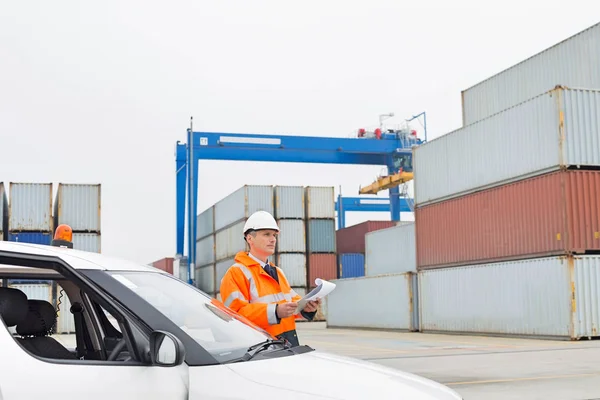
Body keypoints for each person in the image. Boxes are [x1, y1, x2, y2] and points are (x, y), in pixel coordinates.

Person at [219, 210, 321, 347]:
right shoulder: (235, 273)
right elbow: (235, 315)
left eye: (274, 235)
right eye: (266, 234)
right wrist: (275, 311)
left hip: (288, 344)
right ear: (250, 238)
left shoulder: (278, 272)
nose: (273, 239)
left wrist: (307, 308)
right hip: (258, 349)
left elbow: (292, 306)